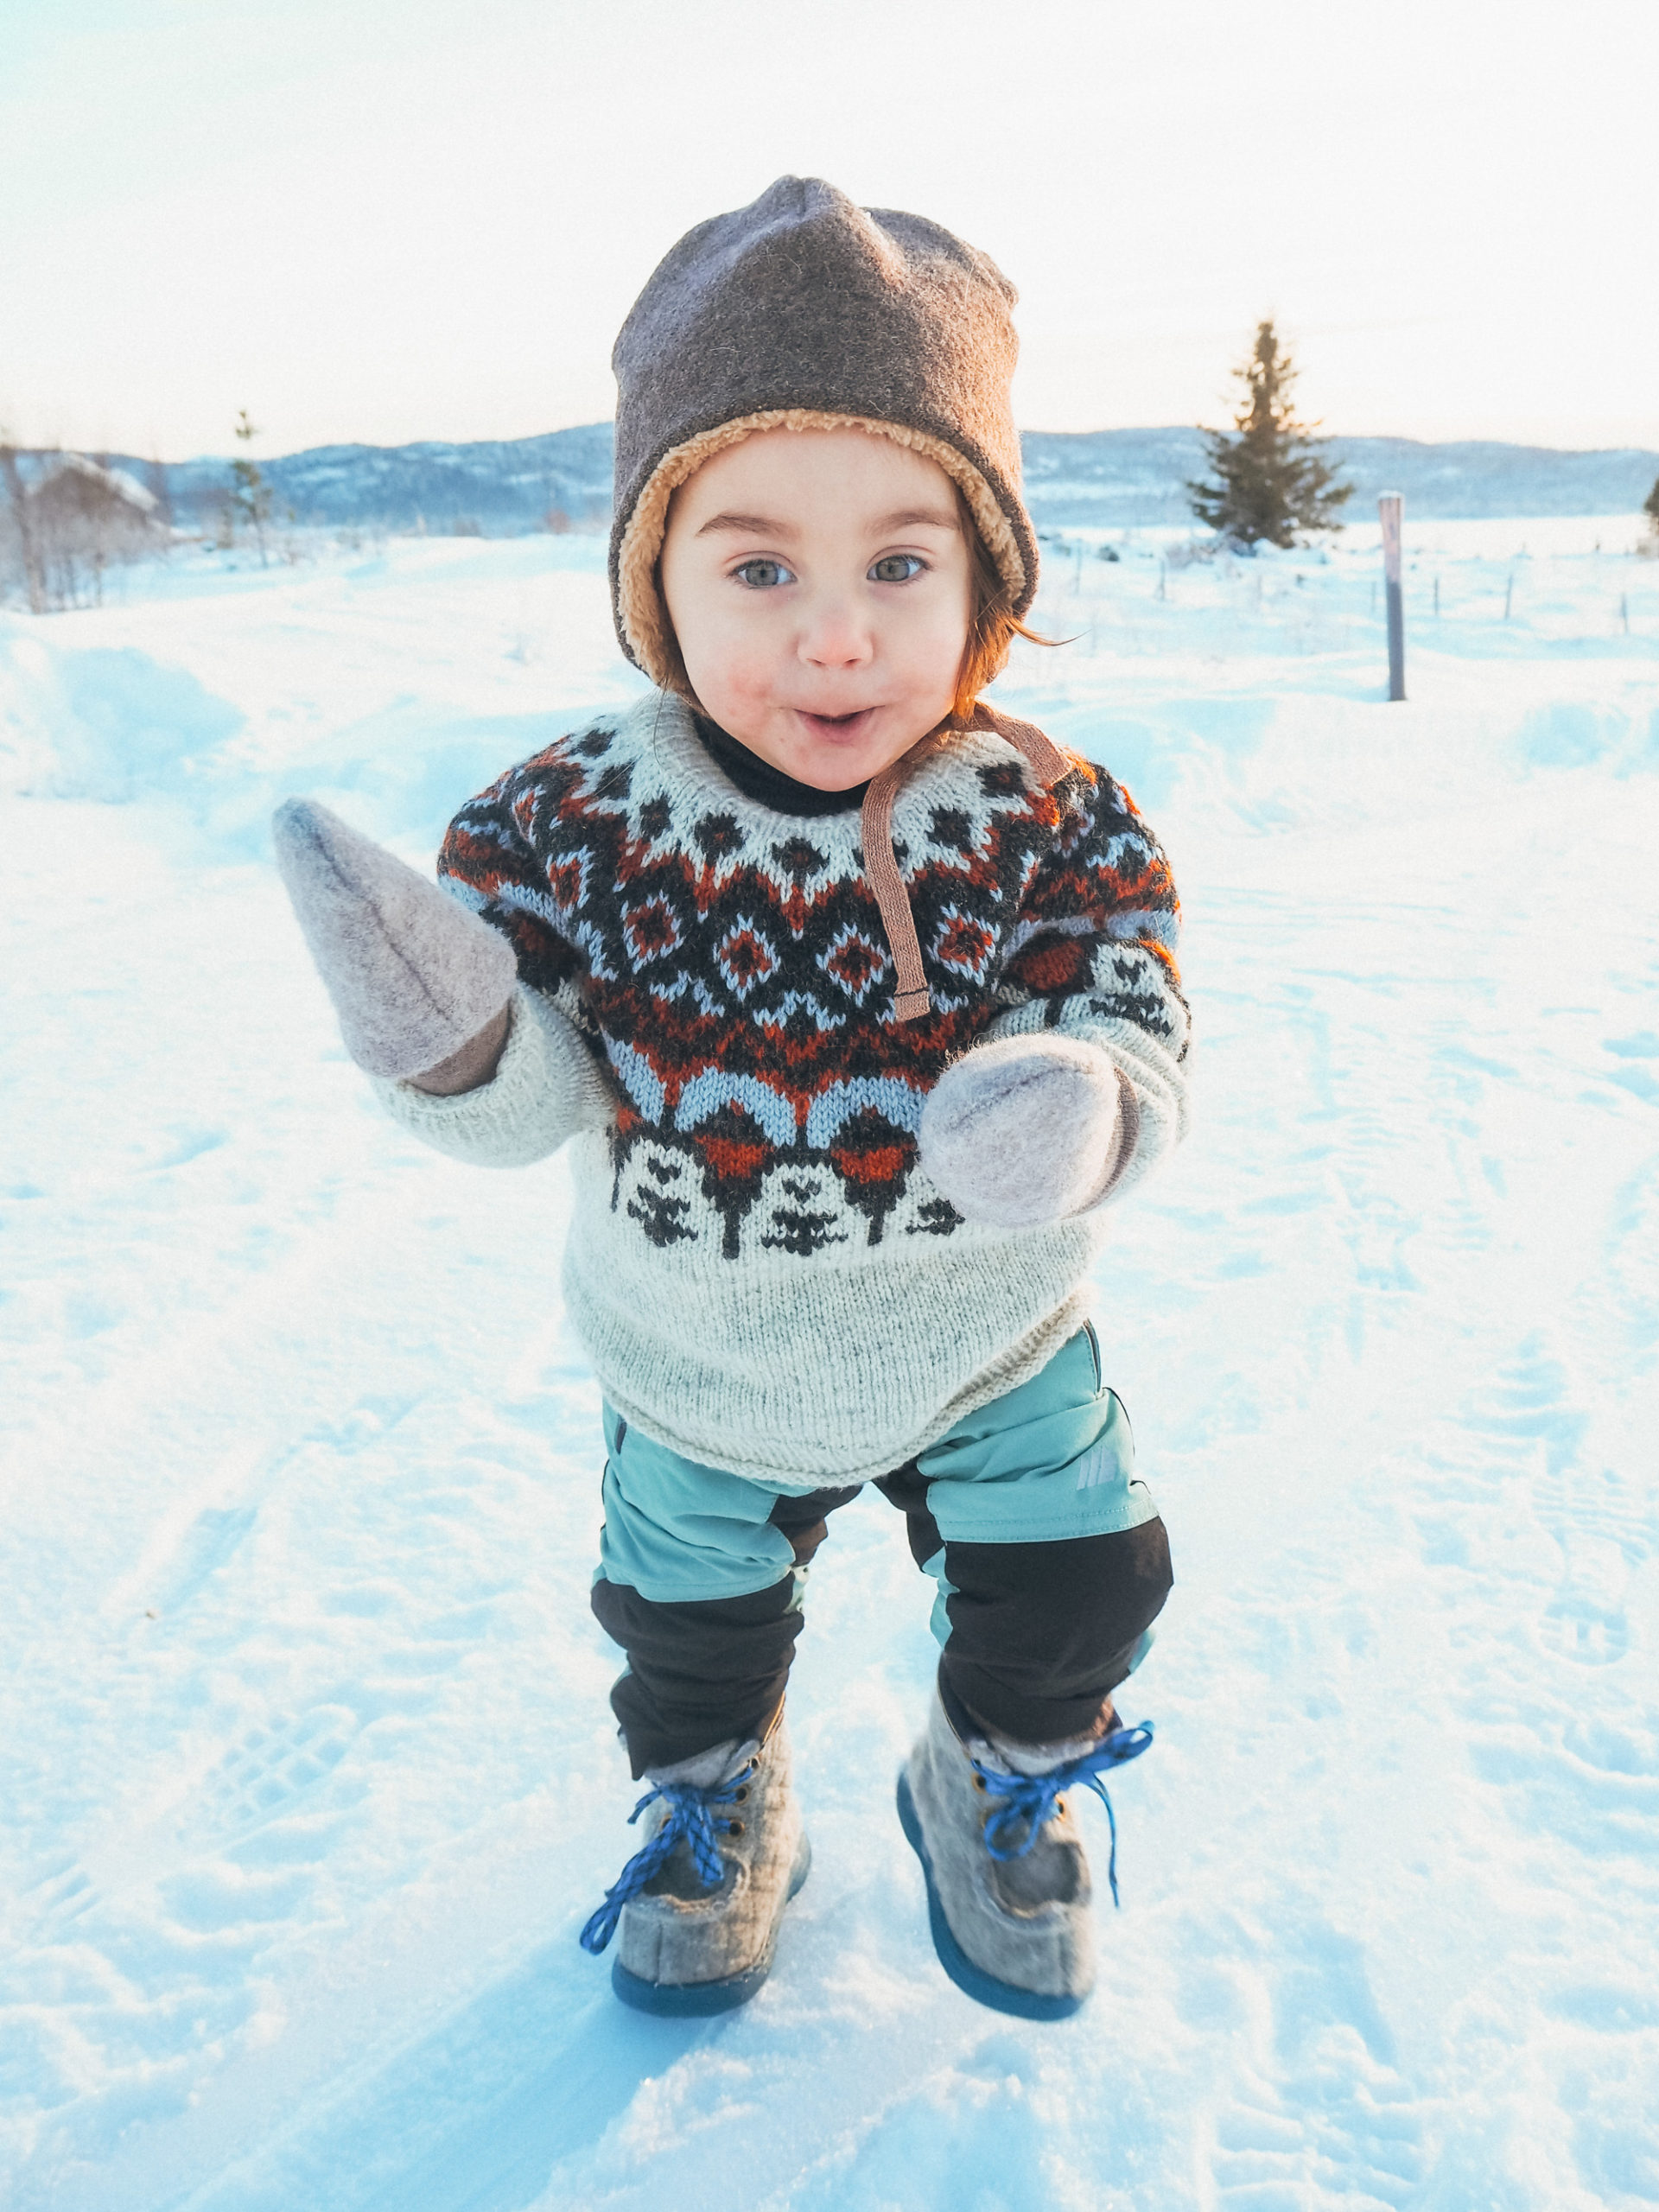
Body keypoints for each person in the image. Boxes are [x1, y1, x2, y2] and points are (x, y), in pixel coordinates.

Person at [273, 177, 1190, 2023]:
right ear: (655, 581)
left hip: (990, 1342)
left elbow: (1141, 1024)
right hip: (695, 1359)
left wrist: (1085, 1101)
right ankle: (714, 1794)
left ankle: (990, 1771)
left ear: (989, 578)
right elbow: (526, 1096)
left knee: (1089, 1581)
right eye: (760, 567)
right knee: (683, 1646)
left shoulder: (1054, 817)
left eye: (900, 565)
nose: (834, 635)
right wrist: (457, 1038)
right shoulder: (571, 822)